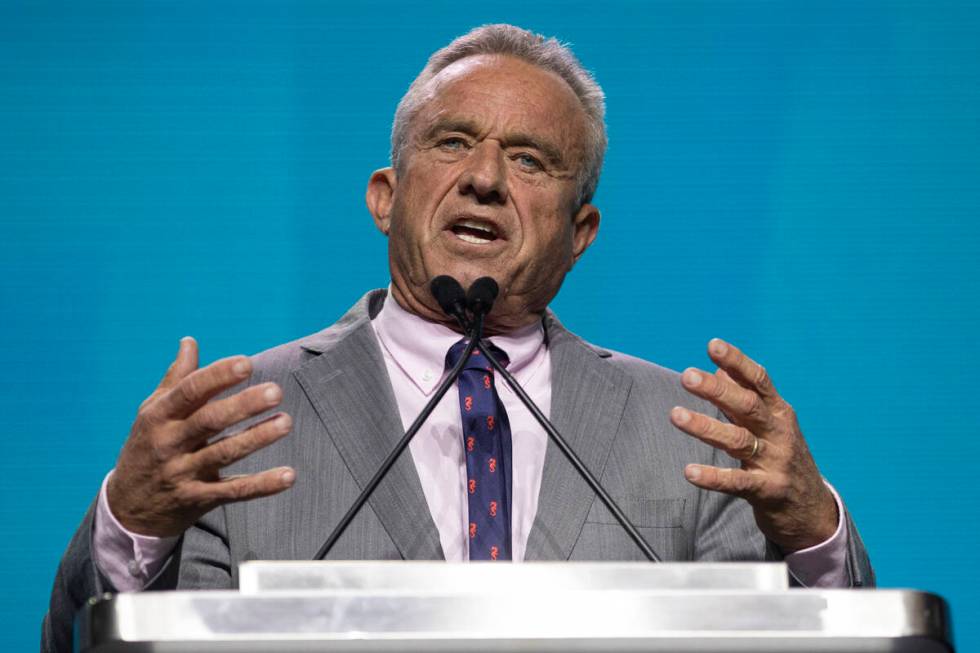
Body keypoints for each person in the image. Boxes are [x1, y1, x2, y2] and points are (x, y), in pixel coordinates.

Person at [42, 24, 873, 652]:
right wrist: (132, 523)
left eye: (530, 159)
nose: (484, 177)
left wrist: (812, 532)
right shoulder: (236, 423)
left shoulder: (692, 431)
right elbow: (93, 640)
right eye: (453, 143)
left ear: (580, 232)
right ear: (385, 196)